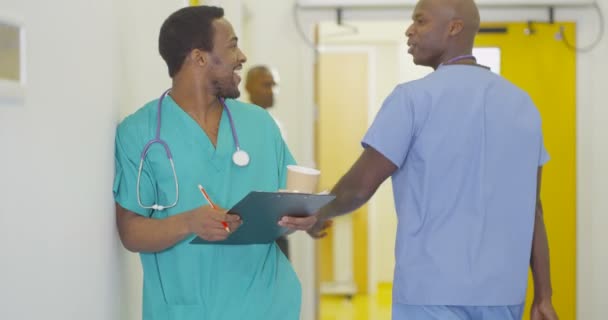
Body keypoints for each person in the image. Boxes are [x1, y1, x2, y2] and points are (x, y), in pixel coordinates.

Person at [293, 0, 559, 319]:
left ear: (454, 28)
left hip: (431, 292)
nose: (410, 31)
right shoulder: (523, 104)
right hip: (503, 294)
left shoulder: (412, 99)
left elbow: (360, 187)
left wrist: (320, 211)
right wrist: (543, 296)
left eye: (420, 21)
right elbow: (534, 210)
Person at [113, 6, 316, 320]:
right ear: (199, 58)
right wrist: (189, 223)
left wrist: (308, 218)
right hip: (186, 310)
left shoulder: (260, 125)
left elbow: (293, 206)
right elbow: (130, 232)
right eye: (232, 45)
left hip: (266, 306)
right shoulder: (139, 132)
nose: (242, 56)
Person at [245, 65, 290, 258]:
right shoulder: (240, 123)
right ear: (248, 87)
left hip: (275, 214)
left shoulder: (276, 125)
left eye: (274, 85)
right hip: (250, 216)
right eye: (265, 85)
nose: (271, 91)